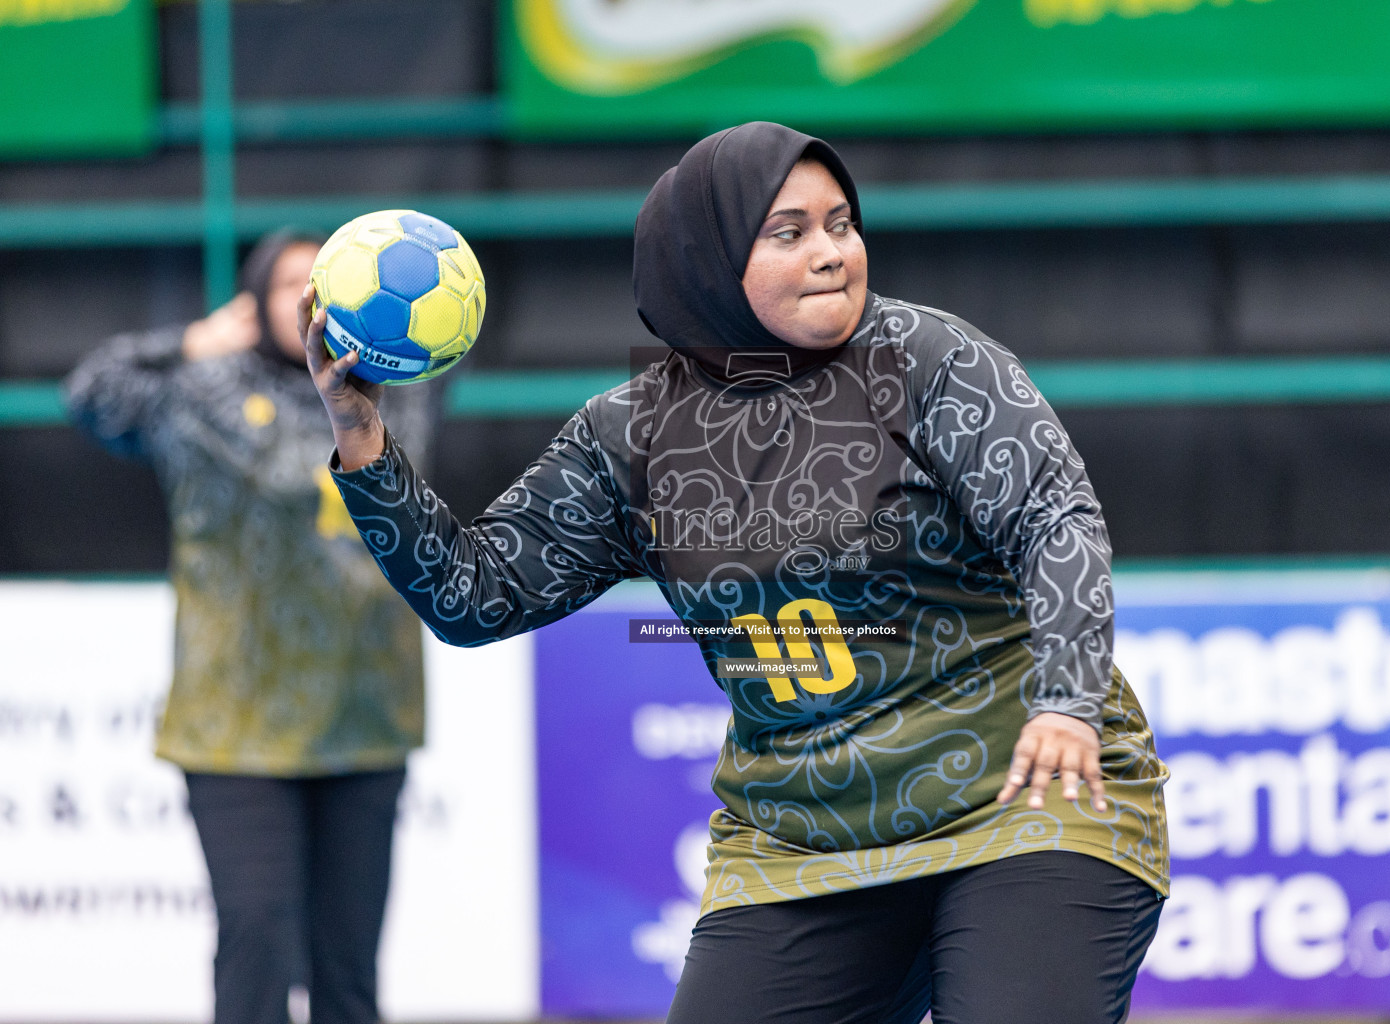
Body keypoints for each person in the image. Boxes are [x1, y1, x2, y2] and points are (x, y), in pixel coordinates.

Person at [306, 123, 1168, 1024]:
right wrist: (361, 437)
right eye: (789, 232)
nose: (832, 252)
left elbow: (1055, 520)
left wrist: (1067, 699)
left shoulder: (930, 360)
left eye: (842, 223)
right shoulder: (628, 435)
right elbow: (469, 598)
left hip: (1026, 798)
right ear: (707, 259)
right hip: (801, 831)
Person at [65, 231, 435, 1024]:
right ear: (251, 302)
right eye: (290, 285)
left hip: (365, 715)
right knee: (257, 939)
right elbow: (91, 390)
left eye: (328, 284)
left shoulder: (395, 394)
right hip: (236, 728)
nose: (310, 301)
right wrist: (188, 342)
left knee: (348, 970)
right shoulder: (195, 389)